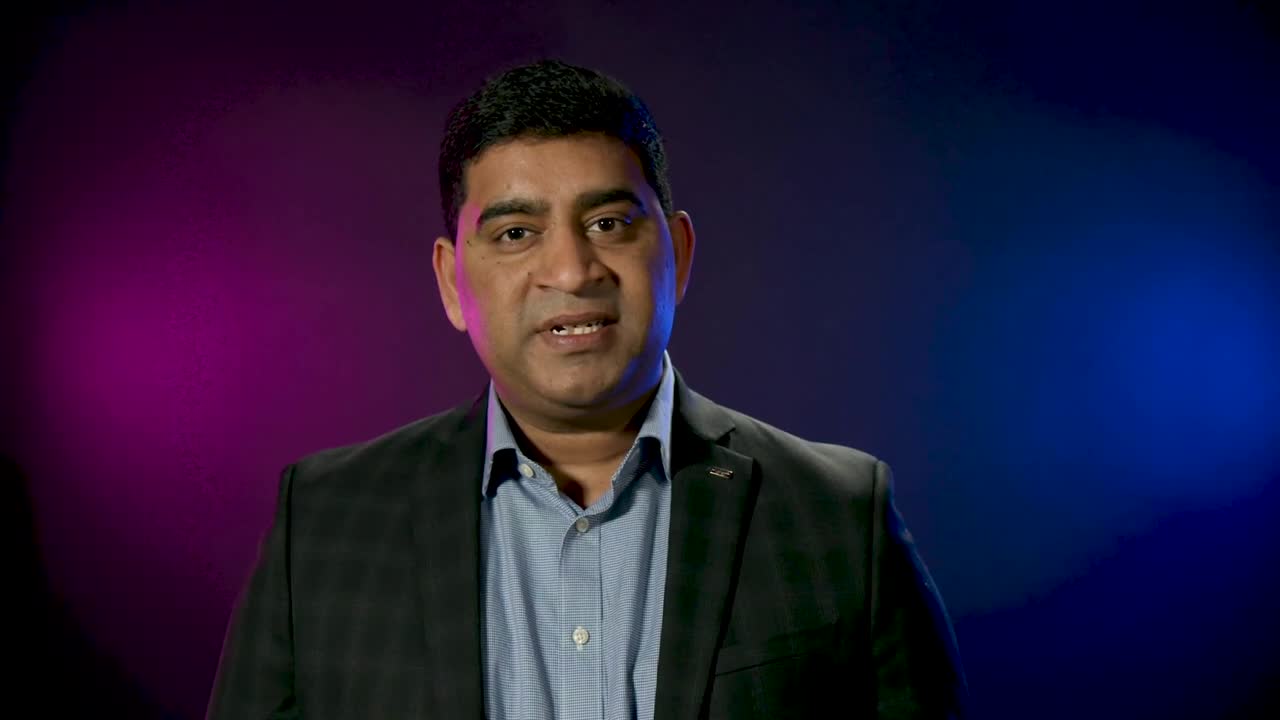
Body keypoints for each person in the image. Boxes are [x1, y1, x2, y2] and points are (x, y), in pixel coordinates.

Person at [206, 59, 967, 720]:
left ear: (678, 253)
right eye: (516, 233)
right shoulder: (326, 523)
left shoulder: (836, 516)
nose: (571, 271)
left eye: (607, 223)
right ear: (451, 281)